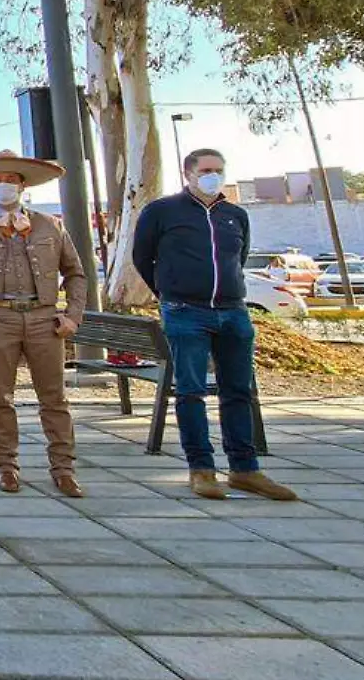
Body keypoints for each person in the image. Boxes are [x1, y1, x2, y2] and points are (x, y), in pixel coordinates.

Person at [135, 148, 298, 502]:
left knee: (238, 391)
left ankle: (245, 468)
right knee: (191, 391)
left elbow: (237, 258)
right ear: (188, 174)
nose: (213, 176)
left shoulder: (234, 215)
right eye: (206, 170)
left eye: (219, 170)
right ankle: (202, 469)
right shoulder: (161, 212)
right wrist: (169, 292)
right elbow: (141, 257)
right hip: (184, 311)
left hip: (233, 311)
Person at [0, 150, 88, 497]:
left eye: (10, 180)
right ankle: (6, 466)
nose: (3, 186)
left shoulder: (49, 225)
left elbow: (75, 272)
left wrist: (72, 315)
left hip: (43, 317)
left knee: (54, 398)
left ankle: (63, 468)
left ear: (22, 185)